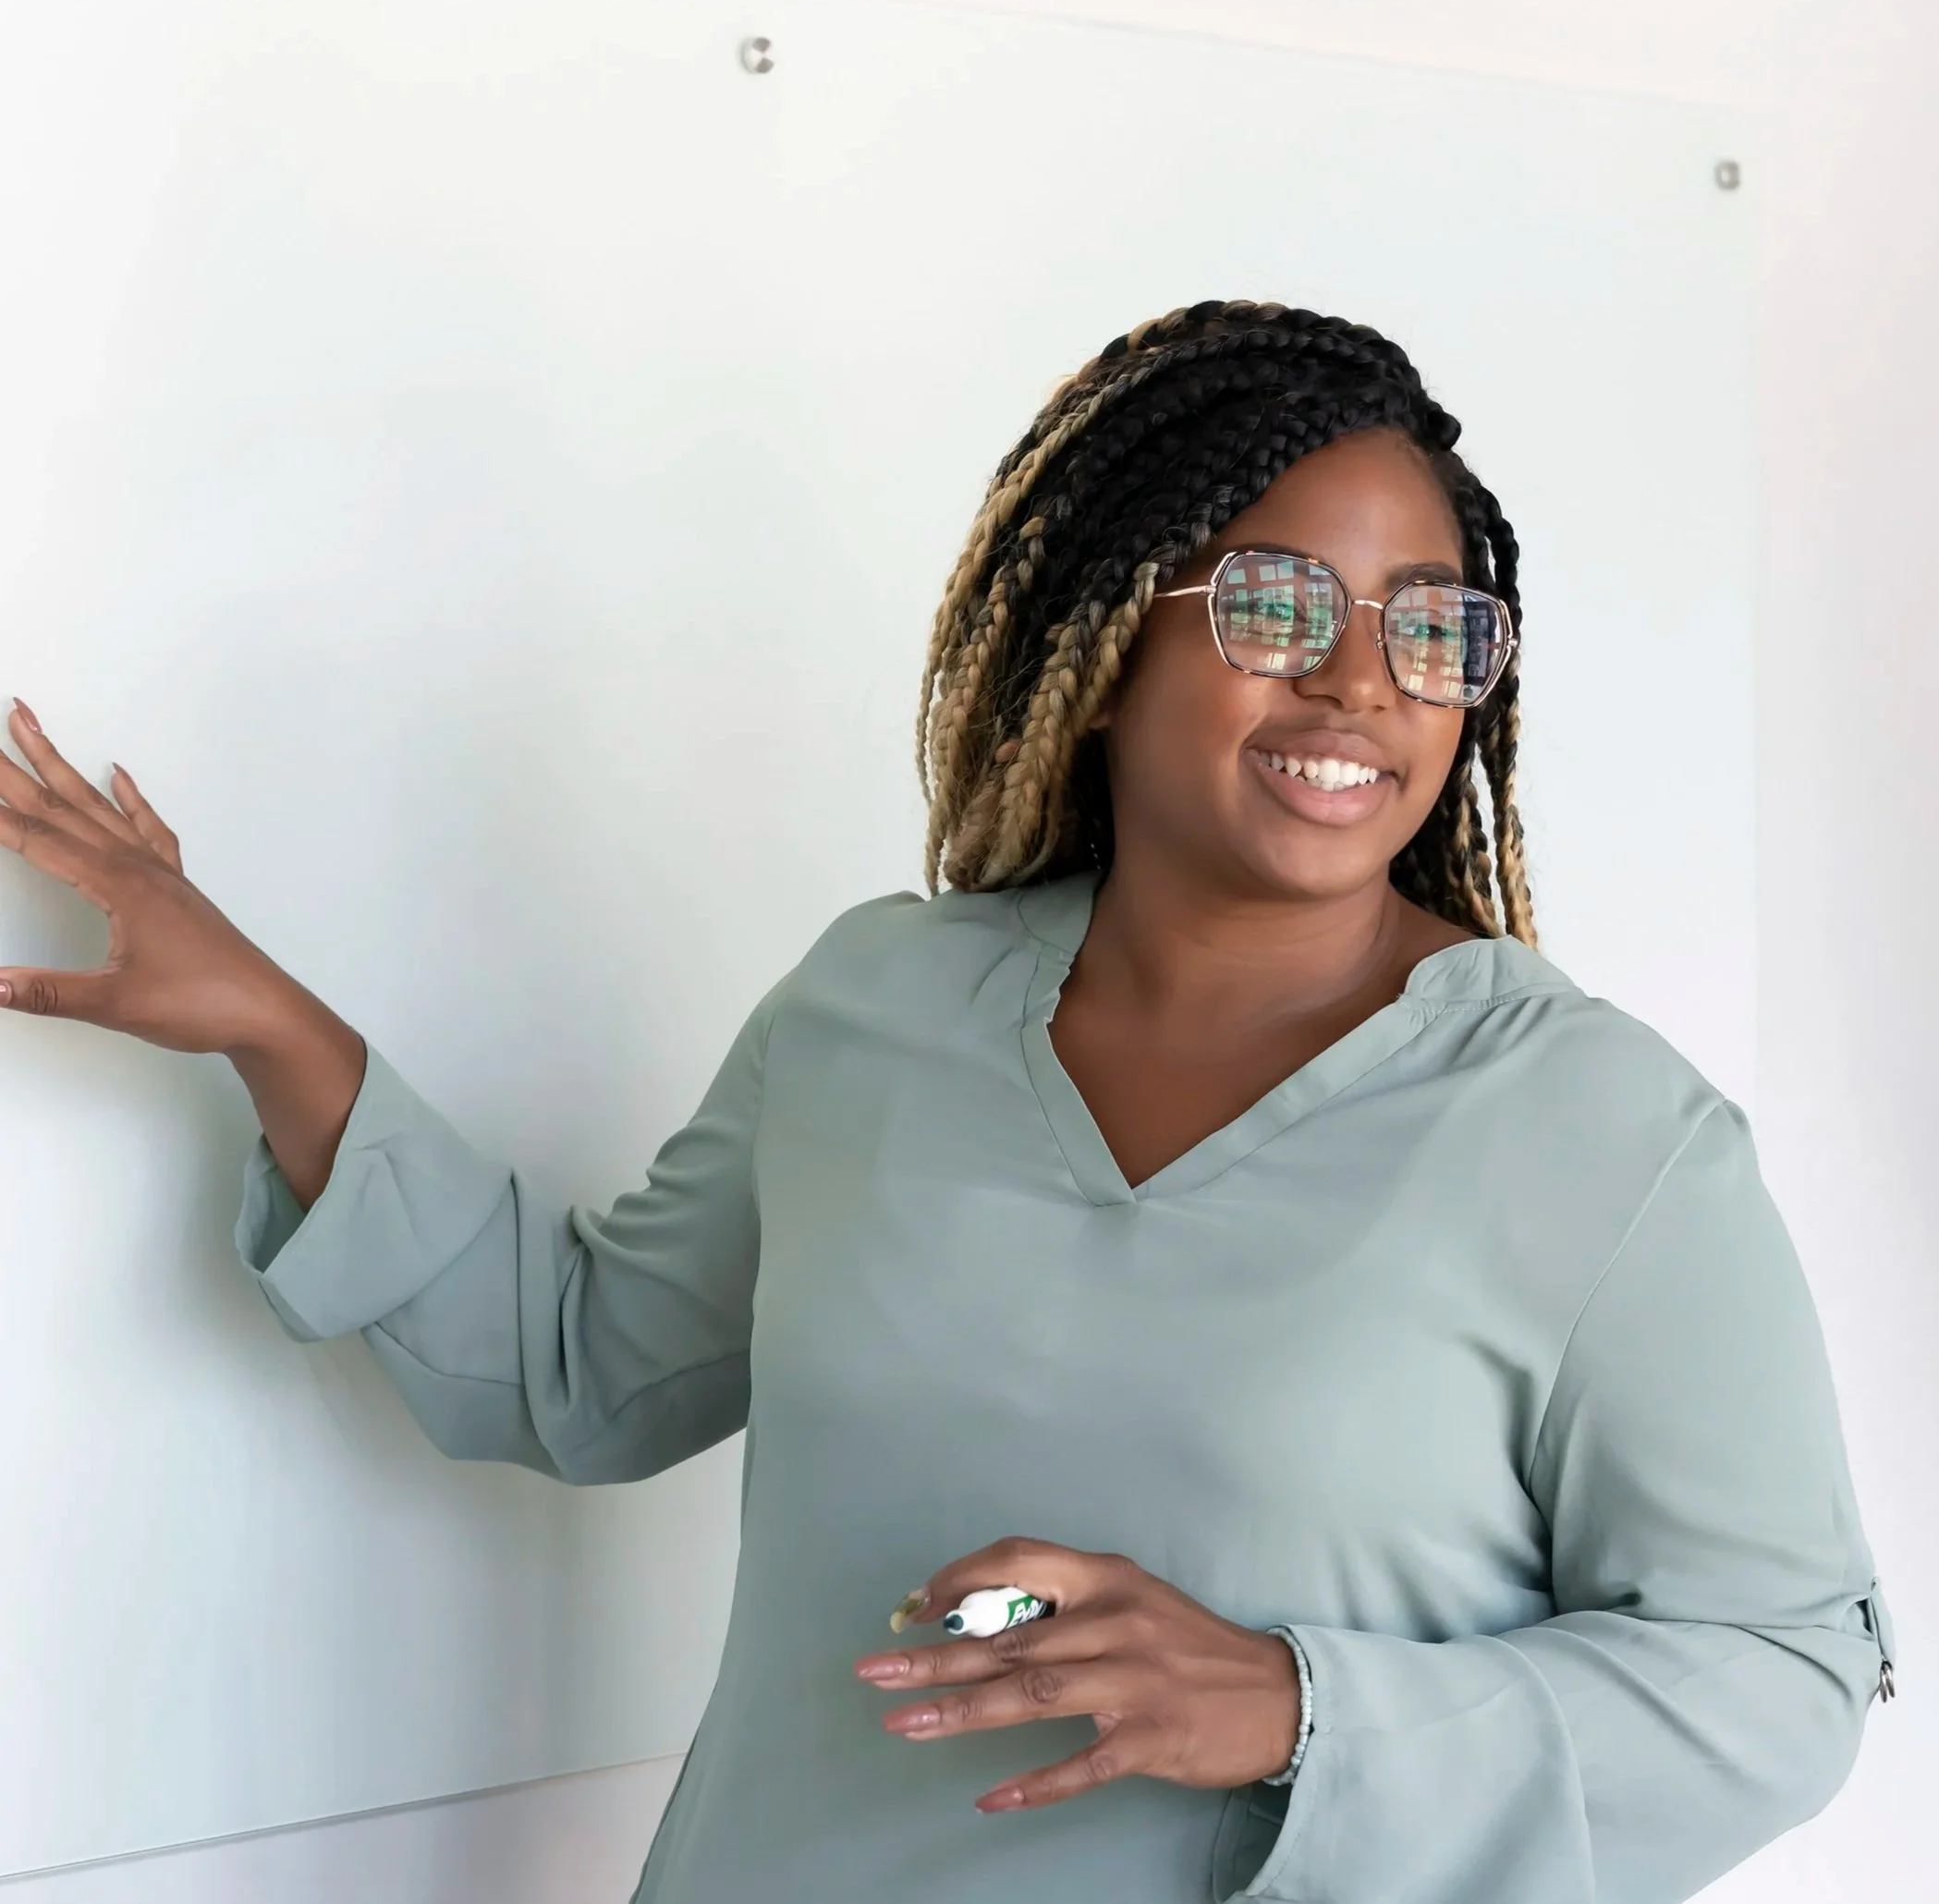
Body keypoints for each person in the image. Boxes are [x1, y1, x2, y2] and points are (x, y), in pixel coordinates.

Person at [0, 300, 1894, 1904]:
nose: (1356, 682)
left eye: (1427, 624)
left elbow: (1783, 1675)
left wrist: (1296, 1700)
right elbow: (576, 1368)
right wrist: (272, 1023)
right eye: (1269, 604)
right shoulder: (878, 1008)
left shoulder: (1601, 1137)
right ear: (1099, 636)